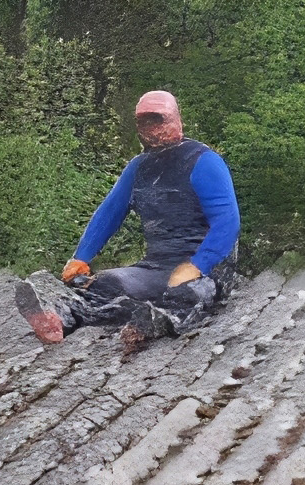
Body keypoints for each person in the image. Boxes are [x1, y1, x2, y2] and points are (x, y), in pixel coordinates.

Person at [15, 90, 241, 347]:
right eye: (145, 121)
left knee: (187, 292)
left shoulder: (204, 161)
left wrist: (199, 264)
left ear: (176, 119)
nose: (152, 128)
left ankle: (155, 322)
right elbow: (109, 213)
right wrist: (81, 258)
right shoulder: (138, 168)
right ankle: (63, 318)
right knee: (107, 284)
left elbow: (227, 221)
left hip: (207, 269)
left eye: (158, 119)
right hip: (156, 267)